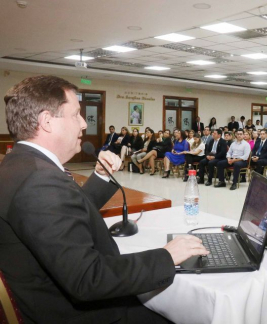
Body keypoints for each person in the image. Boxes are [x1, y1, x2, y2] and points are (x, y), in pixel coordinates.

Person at [0, 75, 208, 323]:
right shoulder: (39, 182)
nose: (83, 124)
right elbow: (89, 278)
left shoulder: (18, 165)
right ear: (47, 121)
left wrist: (101, 177)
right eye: (76, 114)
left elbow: (62, 213)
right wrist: (167, 256)